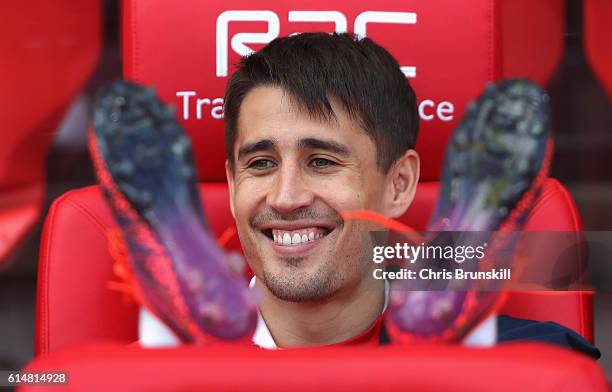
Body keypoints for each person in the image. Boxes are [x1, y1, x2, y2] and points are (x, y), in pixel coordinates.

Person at [125, 32, 598, 357]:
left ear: (399, 184)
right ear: (232, 186)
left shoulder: (525, 368)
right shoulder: (147, 377)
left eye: (322, 162)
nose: (286, 197)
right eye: (261, 164)